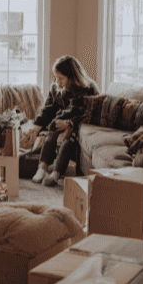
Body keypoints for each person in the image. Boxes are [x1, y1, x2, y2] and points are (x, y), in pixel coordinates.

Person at [28, 55, 99, 186]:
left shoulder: (89, 88)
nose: (57, 81)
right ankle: (42, 167)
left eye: (61, 78)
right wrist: (36, 126)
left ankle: (56, 174)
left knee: (68, 140)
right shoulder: (57, 87)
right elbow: (49, 108)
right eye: (56, 77)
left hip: (76, 126)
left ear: (72, 77)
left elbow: (91, 114)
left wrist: (70, 125)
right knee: (53, 129)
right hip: (60, 121)